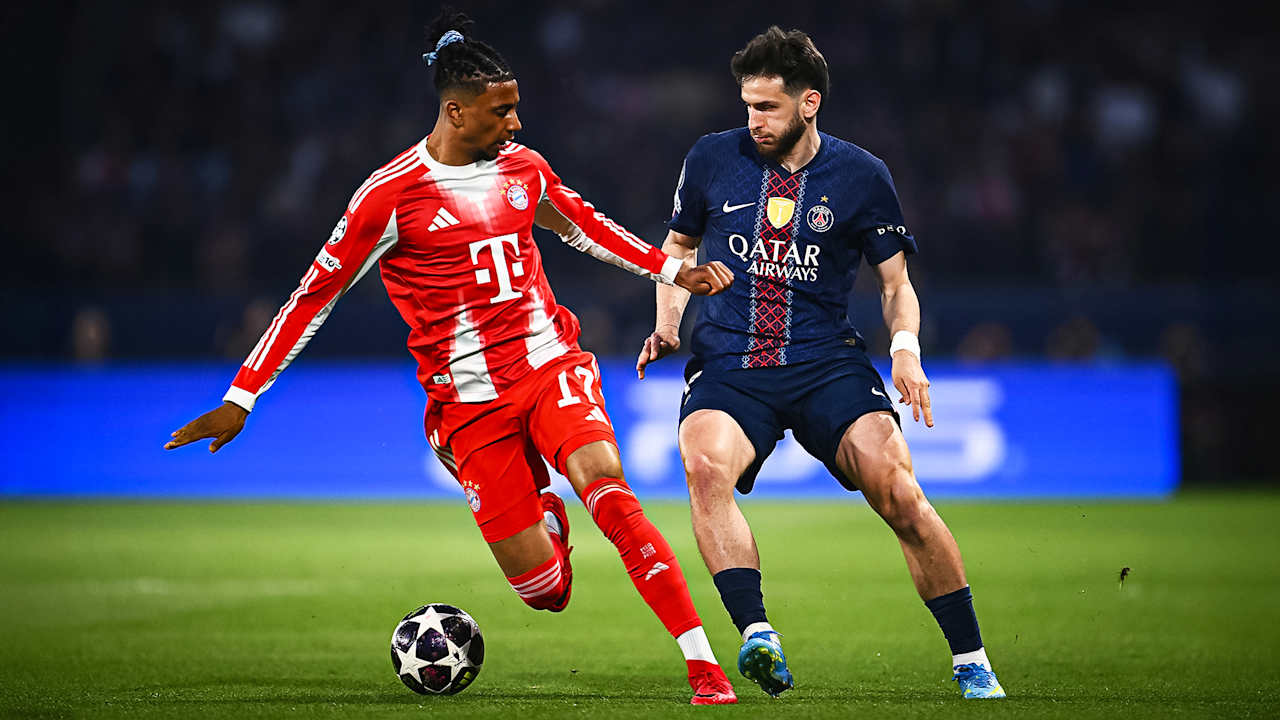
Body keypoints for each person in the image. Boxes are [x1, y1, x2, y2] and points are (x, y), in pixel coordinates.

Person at [164, 11, 738, 705]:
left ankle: (704, 667)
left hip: (548, 363)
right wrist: (241, 398)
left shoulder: (525, 169)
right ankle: (543, 512)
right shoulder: (389, 196)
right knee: (545, 591)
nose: (516, 123)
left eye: (517, 108)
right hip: (467, 402)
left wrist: (674, 272)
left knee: (608, 489)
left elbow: (587, 229)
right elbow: (313, 296)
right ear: (456, 111)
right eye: (502, 111)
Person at [636, 26, 1005, 700]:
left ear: (809, 103)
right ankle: (757, 634)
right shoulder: (712, 157)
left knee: (899, 492)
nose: (755, 120)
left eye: (768, 107)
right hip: (732, 362)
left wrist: (905, 350)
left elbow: (895, 285)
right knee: (704, 466)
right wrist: (666, 325)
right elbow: (677, 251)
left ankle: (971, 659)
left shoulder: (862, 175)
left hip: (825, 363)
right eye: (748, 106)